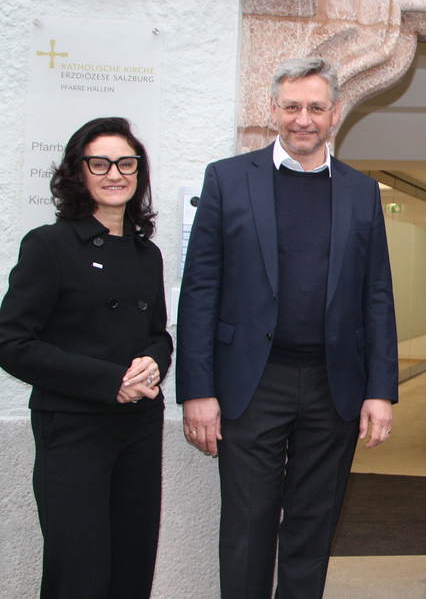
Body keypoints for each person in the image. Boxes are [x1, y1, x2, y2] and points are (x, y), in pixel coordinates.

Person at [176, 56, 399, 599]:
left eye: (316, 108)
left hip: (333, 387)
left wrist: (380, 391)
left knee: (312, 525)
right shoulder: (228, 180)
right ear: (273, 109)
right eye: (293, 106)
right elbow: (200, 293)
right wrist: (197, 391)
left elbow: (377, 297)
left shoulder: (361, 192)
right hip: (251, 384)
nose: (304, 119)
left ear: (335, 113)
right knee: (248, 527)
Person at [0, 117, 170, 599]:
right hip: (73, 429)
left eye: (126, 163)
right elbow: (12, 343)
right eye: (100, 163)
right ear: (79, 173)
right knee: (80, 574)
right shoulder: (49, 245)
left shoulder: (146, 254)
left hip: (138, 427)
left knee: (132, 568)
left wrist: (155, 361)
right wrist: (109, 379)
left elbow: (158, 334)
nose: (115, 173)